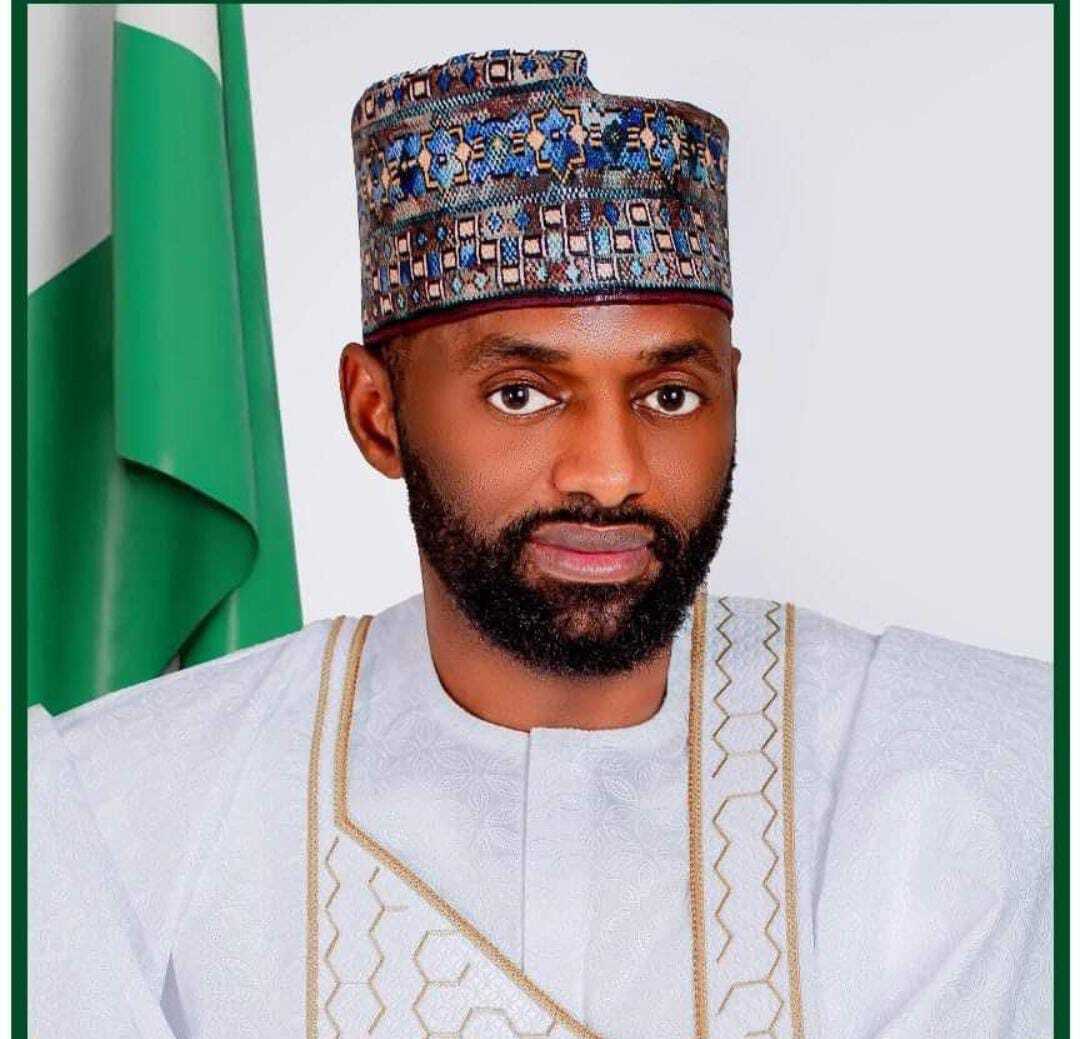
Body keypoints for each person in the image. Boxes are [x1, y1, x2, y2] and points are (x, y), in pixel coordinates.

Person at [29, 48, 1050, 1039]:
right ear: (378, 414)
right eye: (521, 394)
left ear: (732, 396)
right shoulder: (125, 811)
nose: (609, 472)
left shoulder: (956, 761)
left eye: (669, 395)